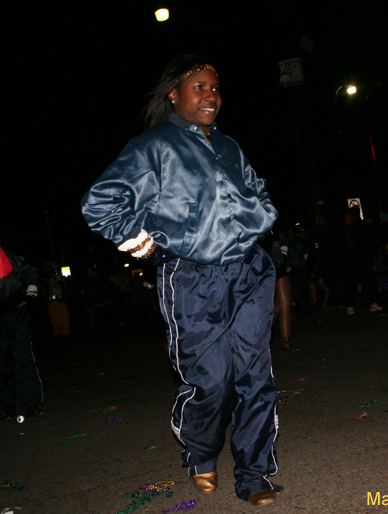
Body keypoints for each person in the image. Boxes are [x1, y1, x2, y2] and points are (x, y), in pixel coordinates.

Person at [81, 55, 281, 506]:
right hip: (192, 277)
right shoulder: (153, 146)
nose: (210, 96)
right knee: (211, 380)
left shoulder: (228, 145)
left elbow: (258, 188)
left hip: (249, 271)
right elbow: (100, 202)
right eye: (199, 87)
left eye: (215, 88)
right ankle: (200, 448)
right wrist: (142, 243)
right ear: (174, 94)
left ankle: (254, 473)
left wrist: (262, 217)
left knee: (254, 376)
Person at [0, 249, 44, 422]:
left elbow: (30, 270)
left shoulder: (4, 255)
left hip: (15, 311)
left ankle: (32, 405)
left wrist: (32, 287)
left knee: (23, 357)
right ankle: (6, 407)